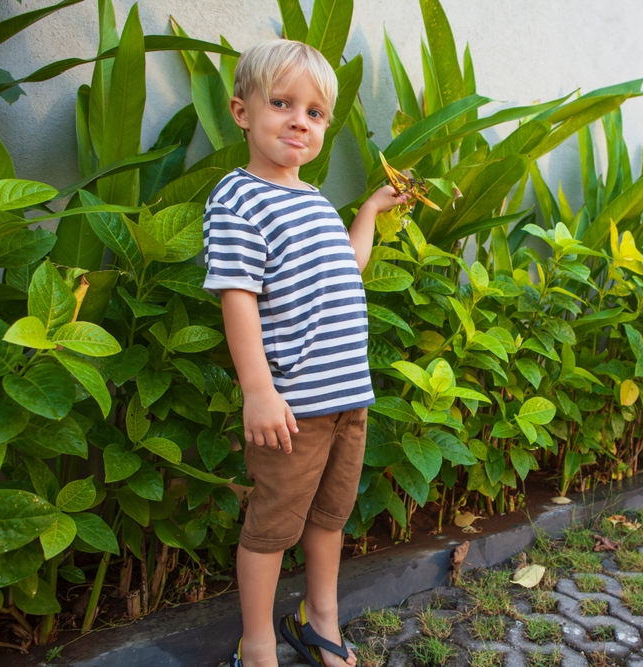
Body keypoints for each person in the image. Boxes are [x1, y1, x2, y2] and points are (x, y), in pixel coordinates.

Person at [201, 39, 408, 667]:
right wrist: (259, 392)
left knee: (329, 520)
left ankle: (320, 622)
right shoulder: (237, 198)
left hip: (348, 399)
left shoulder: (313, 199)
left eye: (315, 113)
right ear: (241, 112)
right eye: (283, 103)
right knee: (270, 530)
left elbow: (348, 266)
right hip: (293, 407)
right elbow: (237, 298)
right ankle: (258, 643)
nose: (300, 120)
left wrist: (369, 209)